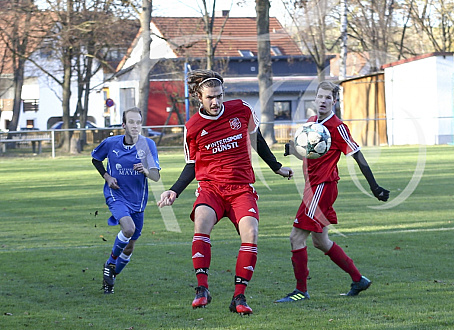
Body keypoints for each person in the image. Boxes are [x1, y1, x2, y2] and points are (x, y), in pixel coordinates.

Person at [158, 70, 293, 315]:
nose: (216, 102)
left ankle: (239, 297)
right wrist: (174, 190)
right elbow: (191, 165)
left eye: (219, 96)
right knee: (201, 223)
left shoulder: (241, 109)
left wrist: (277, 167)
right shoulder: (192, 127)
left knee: (250, 234)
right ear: (199, 97)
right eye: (210, 97)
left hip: (241, 188)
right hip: (211, 188)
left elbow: (257, 139)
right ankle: (202, 289)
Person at [275, 81, 389, 303]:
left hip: (323, 187)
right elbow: (307, 154)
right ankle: (359, 280)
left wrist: (374, 186)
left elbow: (357, 155)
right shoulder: (310, 123)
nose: (323, 101)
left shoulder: (338, 127)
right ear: (315, 99)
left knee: (296, 237)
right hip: (313, 186)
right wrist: (293, 149)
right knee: (320, 241)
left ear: (334, 101)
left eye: (328, 98)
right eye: (320, 97)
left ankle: (301, 291)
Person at [92, 107, 161, 294]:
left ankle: (110, 277)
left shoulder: (148, 145)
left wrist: (145, 170)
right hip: (116, 194)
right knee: (128, 229)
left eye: (138, 122)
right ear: (124, 124)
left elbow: (155, 176)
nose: (135, 125)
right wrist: (107, 177)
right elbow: (96, 159)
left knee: (129, 247)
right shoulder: (111, 143)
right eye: (131, 122)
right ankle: (110, 262)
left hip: (138, 201)